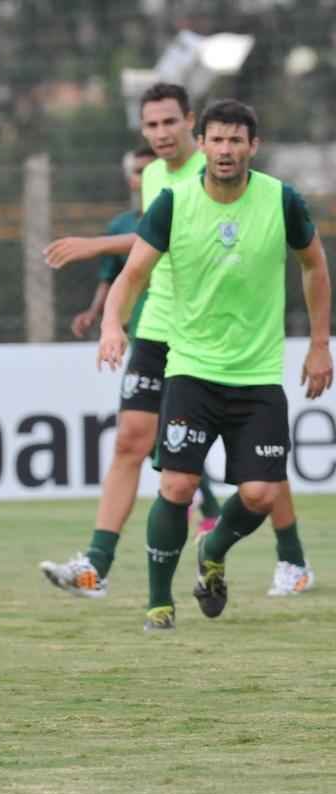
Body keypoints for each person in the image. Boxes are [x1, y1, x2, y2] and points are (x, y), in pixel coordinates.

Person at [39, 84, 314, 599]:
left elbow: (152, 235)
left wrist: (94, 245)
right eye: (152, 126)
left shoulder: (216, 168)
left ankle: (291, 556)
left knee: (260, 462)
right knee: (130, 442)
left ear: (194, 126)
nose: (162, 134)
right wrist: (114, 321)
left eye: (171, 123)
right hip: (158, 327)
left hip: (217, 338)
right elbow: (151, 244)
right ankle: (96, 564)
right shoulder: (154, 175)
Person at [96, 99, 332, 631]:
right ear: (200, 144)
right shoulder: (174, 203)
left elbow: (314, 265)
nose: (226, 150)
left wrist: (321, 344)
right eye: (216, 139)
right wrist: (114, 325)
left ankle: (214, 546)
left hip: (257, 375)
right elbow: (132, 275)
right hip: (191, 371)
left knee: (260, 494)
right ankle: (159, 602)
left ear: (254, 146)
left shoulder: (282, 200)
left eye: (236, 140)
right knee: (176, 487)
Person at [68, 144, 155, 340]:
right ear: (130, 180)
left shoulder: (184, 216)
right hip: (140, 327)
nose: (147, 176)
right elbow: (110, 278)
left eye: (153, 169)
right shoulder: (120, 226)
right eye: (139, 171)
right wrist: (93, 312)